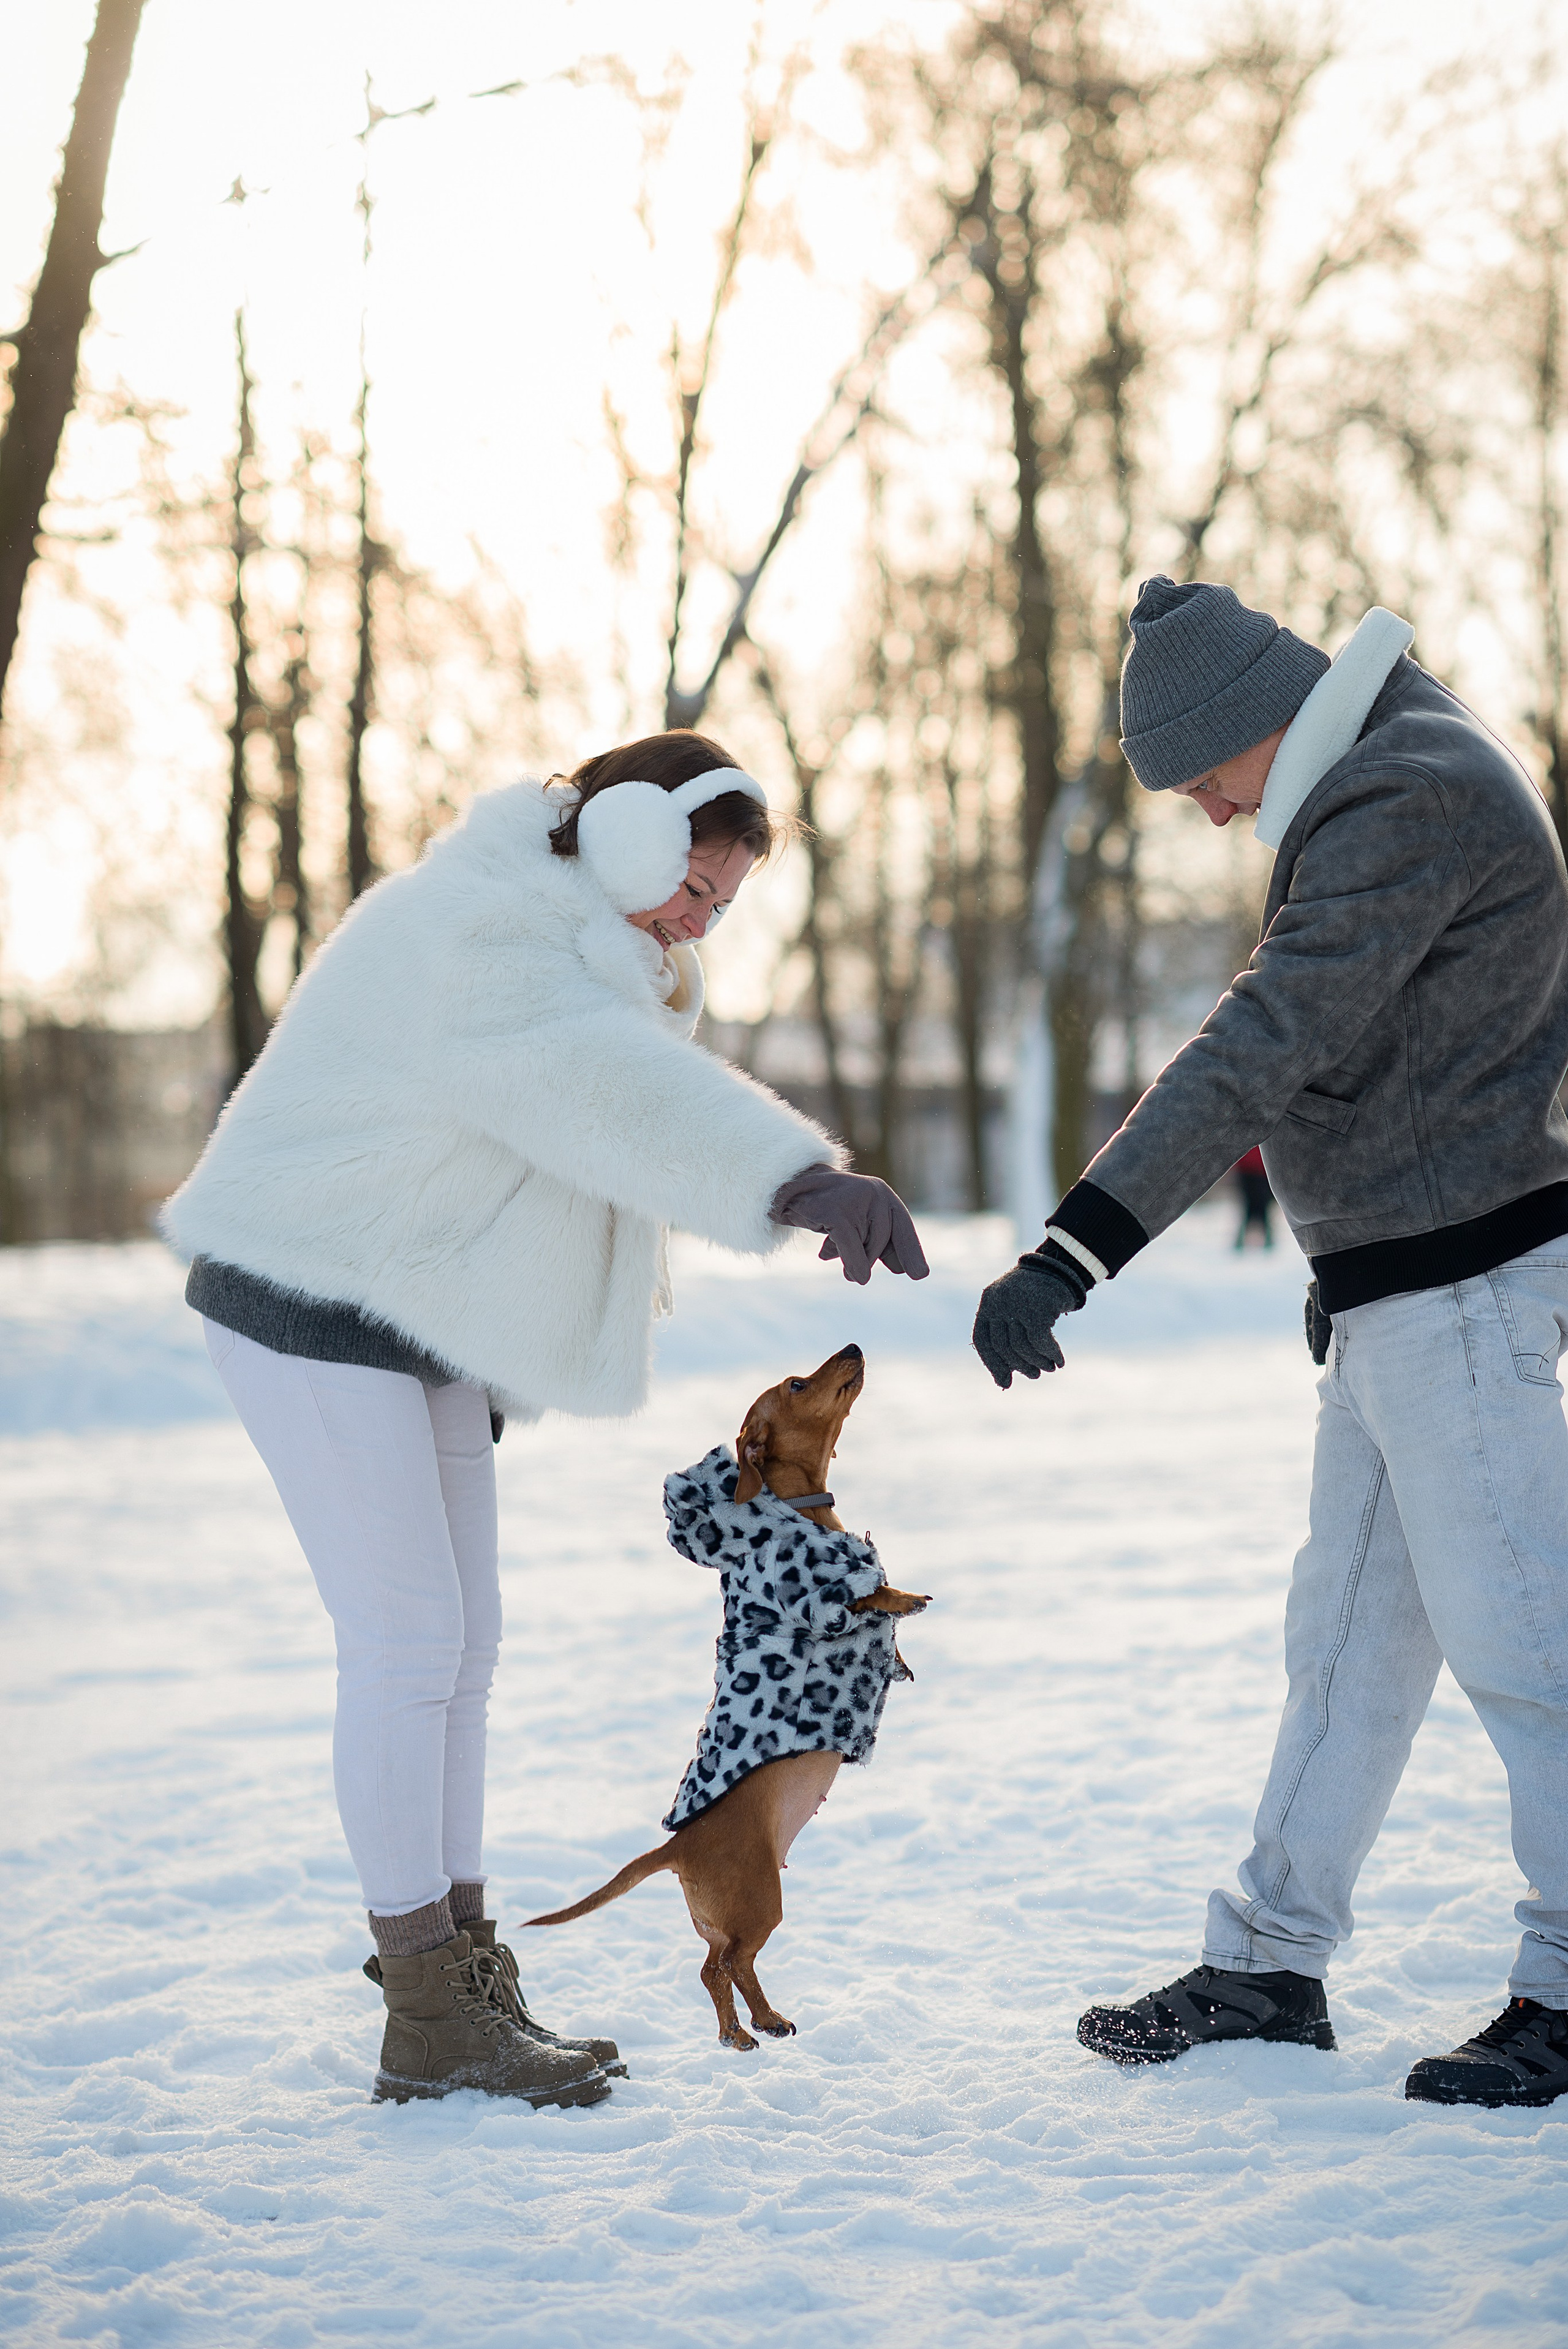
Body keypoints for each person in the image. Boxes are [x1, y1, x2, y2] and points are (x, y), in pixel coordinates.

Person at [164, 731, 928, 2108]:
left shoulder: (577, 949)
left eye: (722, 905)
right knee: (406, 1642)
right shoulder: (485, 928)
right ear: (626, 836)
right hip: (304, 1287)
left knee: (465, 1646)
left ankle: (460, 1966)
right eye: (693, 886)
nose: (699, 923)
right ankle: (423, 2009)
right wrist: (789, 1179)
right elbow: (590, 1089)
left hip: (410, 1307)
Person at [973, 578, 1568, 2110]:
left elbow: (1265, 1037)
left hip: (1459, 1289)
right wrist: (1353, 1253)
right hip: (1402, 1289)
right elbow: (1390, 1052)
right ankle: (1267, 1958)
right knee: (1344, 1650)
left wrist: (1073, 1245)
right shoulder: (1395, 761)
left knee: (1527, 1647)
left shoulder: (1398, 789)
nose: (1206, 812)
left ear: (1256, 719)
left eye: (1197, 778)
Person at [1232, 1145, 1274, 1249]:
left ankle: (1268, 1243)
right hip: (1251, 1170)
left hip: (1260, 1170)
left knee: (1261, 1207)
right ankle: (1240, 1244)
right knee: (1251, 1207)